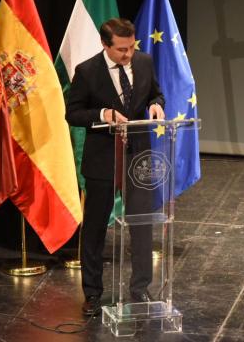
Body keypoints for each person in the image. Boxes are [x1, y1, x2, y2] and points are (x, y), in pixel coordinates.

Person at [65, 17, 165, 316]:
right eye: (121, 49)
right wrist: (104, 113)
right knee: (95, 228)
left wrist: (157, 103)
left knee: (142, 224)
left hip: (138, 157)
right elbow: (73, 113)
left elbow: (155, 93)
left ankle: (140, 290)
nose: (128, 55)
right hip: (103, 160)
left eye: (131, 47)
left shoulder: (144, 62)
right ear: (105, 45)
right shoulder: (88, 71)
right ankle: (93, 294)